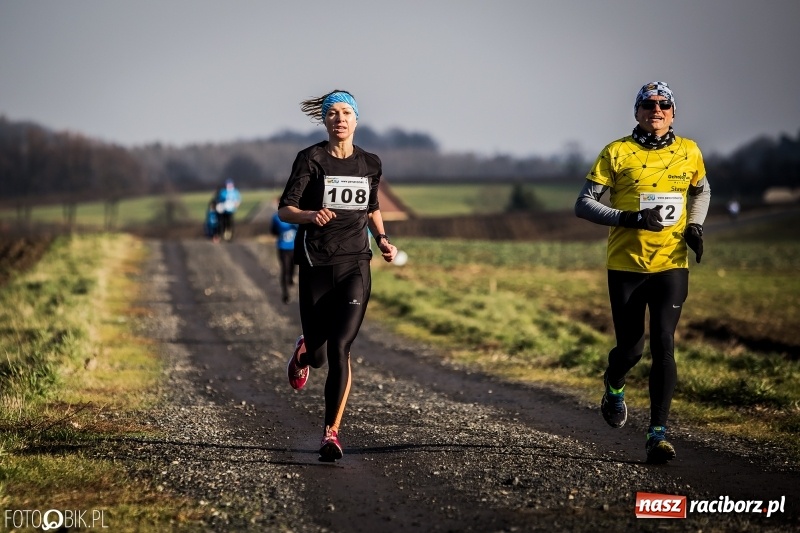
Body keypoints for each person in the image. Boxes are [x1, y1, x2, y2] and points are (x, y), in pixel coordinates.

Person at [575, 81, 710, 464]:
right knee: (631, 349)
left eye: (664, 104)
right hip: (626, 266)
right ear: (636, 112)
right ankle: (614, 384)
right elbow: (583, 204)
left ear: (673, 112)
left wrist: (695, 227)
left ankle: (658, 435)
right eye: (648, 104)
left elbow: (702, 191)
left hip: (671, 264)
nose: (656, 110)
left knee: (664, 344)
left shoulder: (690, 151)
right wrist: (631, 218)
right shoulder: (617, 152)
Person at [278, 89, 397, 462]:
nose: (340, 119)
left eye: (346, 112)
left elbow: (372, 206)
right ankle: (302, 352)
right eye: (333, 113)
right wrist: (310, 215)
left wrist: (382, 239)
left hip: (355, 265)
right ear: (325, 121)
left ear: (356, 120)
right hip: (316, 262)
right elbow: (285, 210)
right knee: (317, 356)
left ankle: (331, 434)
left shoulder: (371, 163)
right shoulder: (310, 159)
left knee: (340, 348)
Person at [270, 202, 298, 304]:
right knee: (285, 269)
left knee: (292, 268)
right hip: (282, 247)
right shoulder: (275, 217)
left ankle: (291, 278)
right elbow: (273, 231)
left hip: (295, 247)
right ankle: (285, 294)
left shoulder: (297, 216)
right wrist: (281, 234)